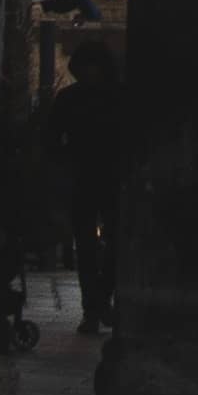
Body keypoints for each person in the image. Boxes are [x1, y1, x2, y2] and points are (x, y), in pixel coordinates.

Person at [43, 39, 128, 337]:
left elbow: (53, 141)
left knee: (106, 246)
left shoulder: (76, 99)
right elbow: (52, 141)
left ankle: (97, 303)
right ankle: (96, 304)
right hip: (94, 179)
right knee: (93, 248)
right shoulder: (113, 98)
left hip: (101, 179)